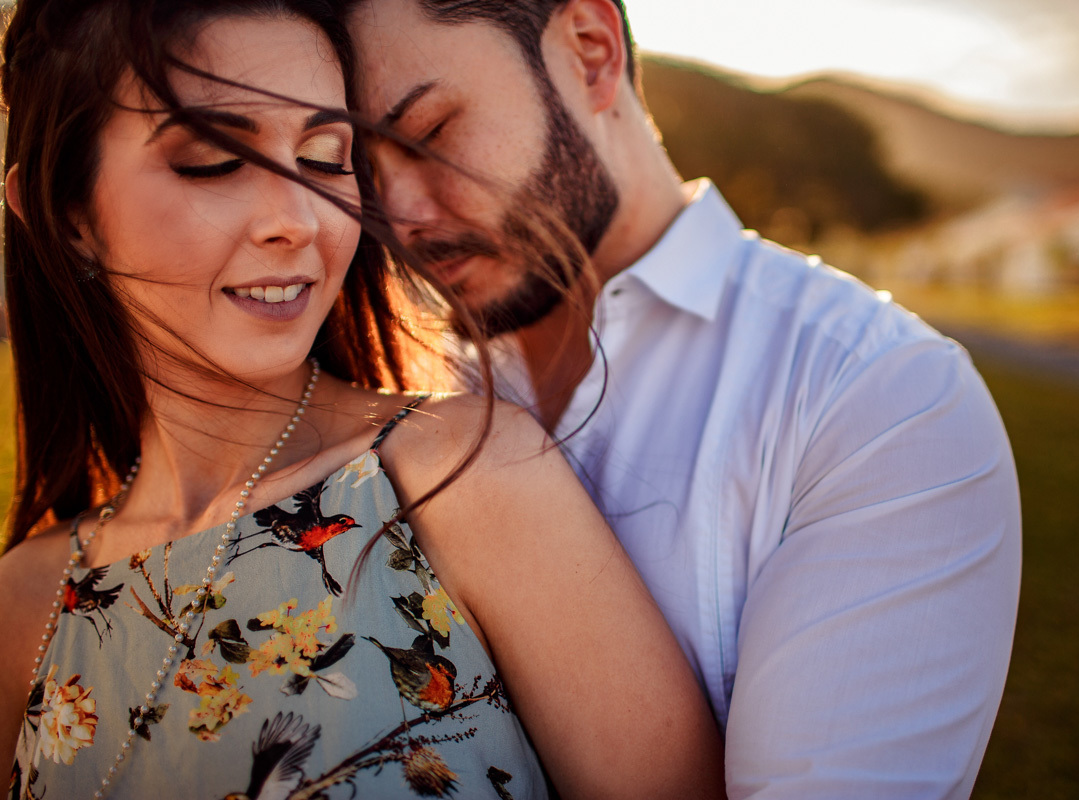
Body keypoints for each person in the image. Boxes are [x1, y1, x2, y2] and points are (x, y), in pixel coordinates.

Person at [0, 1, 725, 798]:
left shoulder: (459, 478)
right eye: (213, 160)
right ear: (66, 215)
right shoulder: (24, 607)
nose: (297, 219)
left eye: (323, 158)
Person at [344, 0, 1024, 797]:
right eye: (356, 169)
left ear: (592, 53)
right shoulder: (393, 385)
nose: (400, 218)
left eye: (428, 134)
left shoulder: (874, 398)